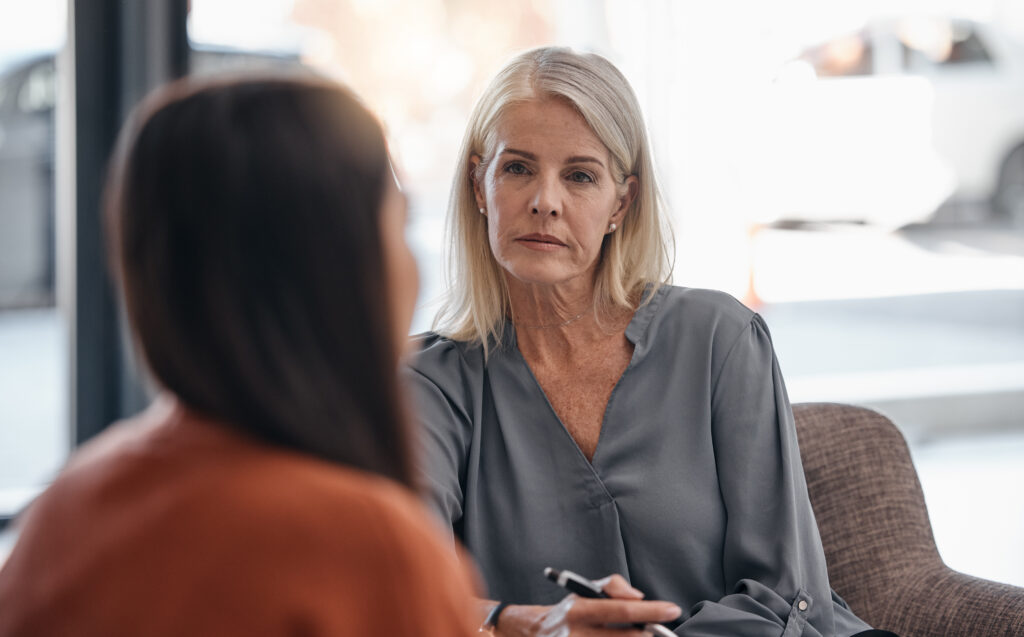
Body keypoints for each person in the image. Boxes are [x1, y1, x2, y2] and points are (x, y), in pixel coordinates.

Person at [408, 46, 878, 636]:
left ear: (621, 204)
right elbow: (398, 595)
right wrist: (516, 625)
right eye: (517, 168)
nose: (545, 201)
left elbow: (786, 594)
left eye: (579, 176)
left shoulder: (719, 338)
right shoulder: (426, 384)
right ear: (480, 185)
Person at [0, 76, 480, 636]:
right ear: (334, 273)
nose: (417, 271)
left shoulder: (71, 508)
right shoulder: (371, 550)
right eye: (398, 227)